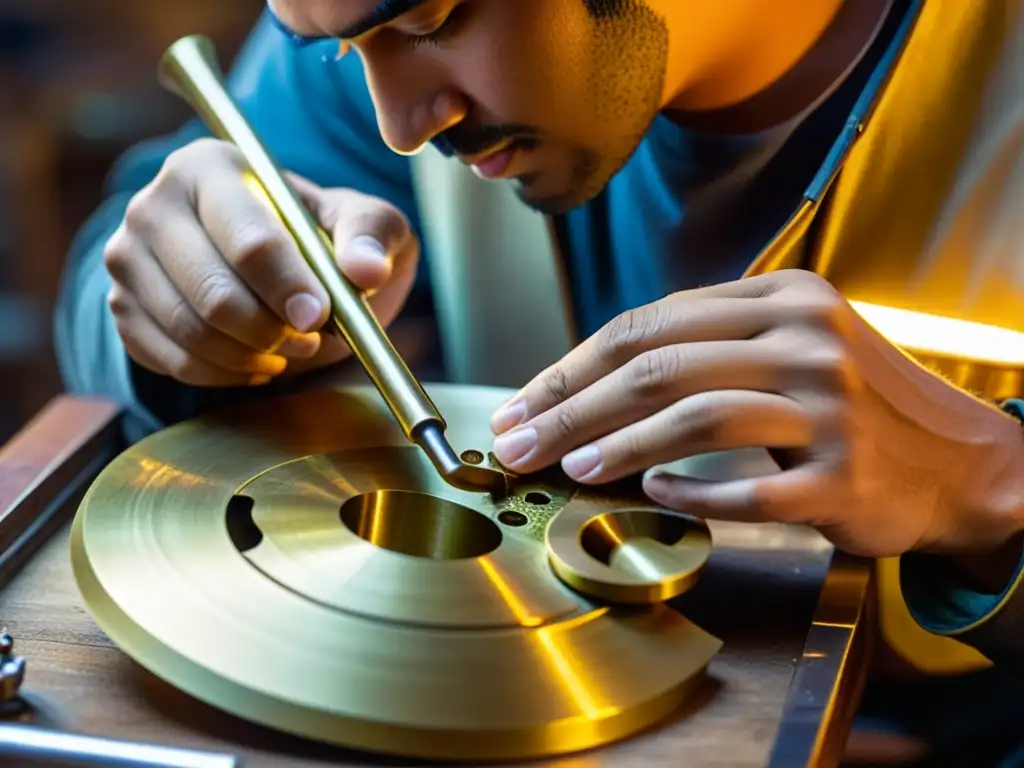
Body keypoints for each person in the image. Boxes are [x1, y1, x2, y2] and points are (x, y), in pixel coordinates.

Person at [55, 1, 1024, 763]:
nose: (396, 128)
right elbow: (134, 267)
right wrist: (185, 316)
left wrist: (991, 486)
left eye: (432, 20)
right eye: (343, 52)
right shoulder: (365, 39)